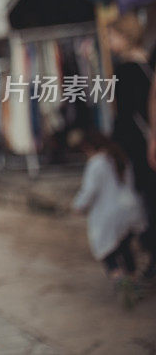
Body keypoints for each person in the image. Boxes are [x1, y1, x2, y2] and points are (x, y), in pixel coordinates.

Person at [71, 131, 147, 307]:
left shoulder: (96, 163)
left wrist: (78, 206)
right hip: (131, 211)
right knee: (125, 248)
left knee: (107, 253)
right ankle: (133, 282)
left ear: (89, 147)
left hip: (108, 215)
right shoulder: (121, 157)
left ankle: (121, 281)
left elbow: (89, 192)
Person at [107, 13, 156, 278]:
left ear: (125, 37)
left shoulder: (125, 70)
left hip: (140, 145)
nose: (110, 42)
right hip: (149, 139)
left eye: (112, 36)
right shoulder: (149, 63)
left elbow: (125, 114)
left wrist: (113, 147)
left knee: (146, 202)